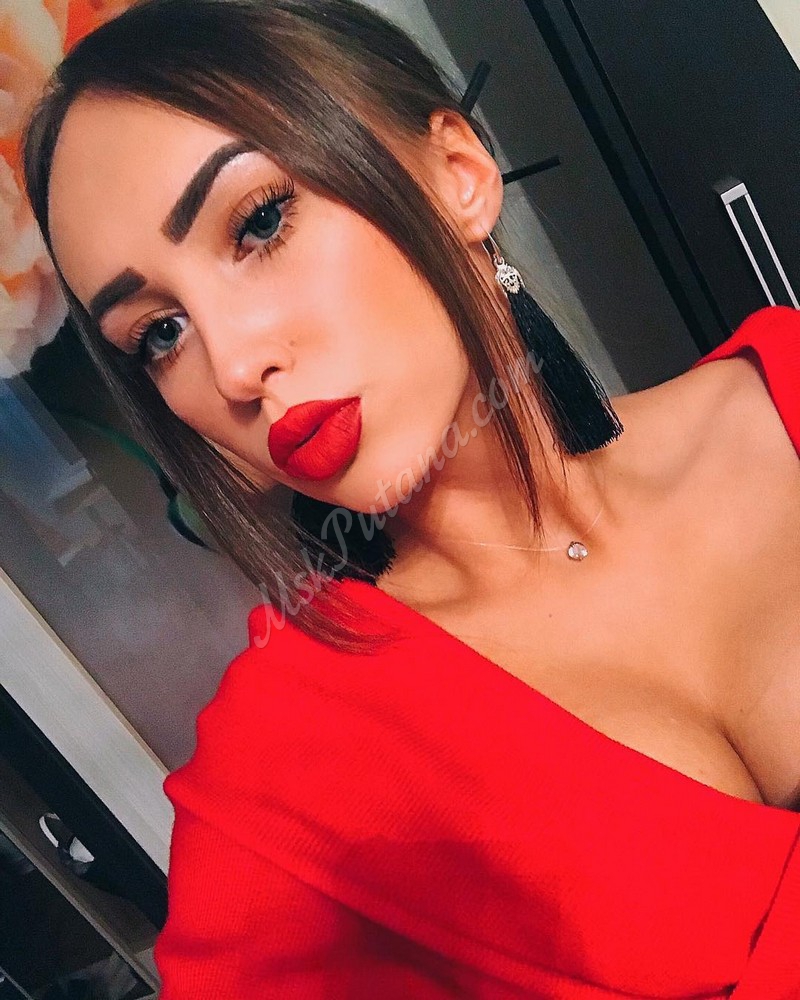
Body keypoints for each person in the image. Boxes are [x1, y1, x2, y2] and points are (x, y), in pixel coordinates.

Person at [21, 0, 800, 996]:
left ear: (457, 175)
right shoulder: (288, 784)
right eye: (159, 334)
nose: (235, 364)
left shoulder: (782, 391)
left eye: (259, 222)